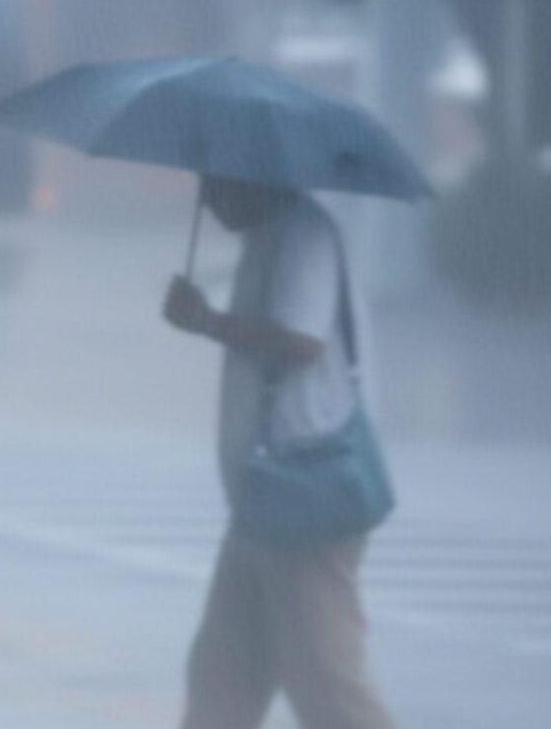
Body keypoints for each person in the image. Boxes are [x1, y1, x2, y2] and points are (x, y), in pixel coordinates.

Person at [163, 175, 395, 729]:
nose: (207, 201)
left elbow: (302, 338)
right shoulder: (267, 235)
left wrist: (207, 322)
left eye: (216, 185)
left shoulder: (304, 233)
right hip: (262, 498)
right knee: (222, 678)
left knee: (327, 684)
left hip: (301, 494)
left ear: (252, 174)